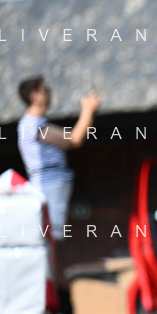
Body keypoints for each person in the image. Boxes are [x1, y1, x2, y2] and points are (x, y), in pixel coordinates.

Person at [16, 77, 100, 240]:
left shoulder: (32, 124)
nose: (49, 93)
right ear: (34, 96)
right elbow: (74, 139)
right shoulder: (32, 125)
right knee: (51, 236)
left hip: (49, 184)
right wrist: (87, 110)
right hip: (48, 186)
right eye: (45, 90)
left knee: (51, 235)